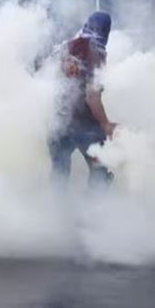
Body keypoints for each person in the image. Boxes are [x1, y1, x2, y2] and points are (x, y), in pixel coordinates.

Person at [48, 11, 117, 187]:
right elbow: (92, 96)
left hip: (58, 122)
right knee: (99, 169)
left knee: (59, 171)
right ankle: (97, 203)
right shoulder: (97, 54)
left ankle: (55, 203)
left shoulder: (64, 47)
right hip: (84, 125)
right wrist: (105, 124)